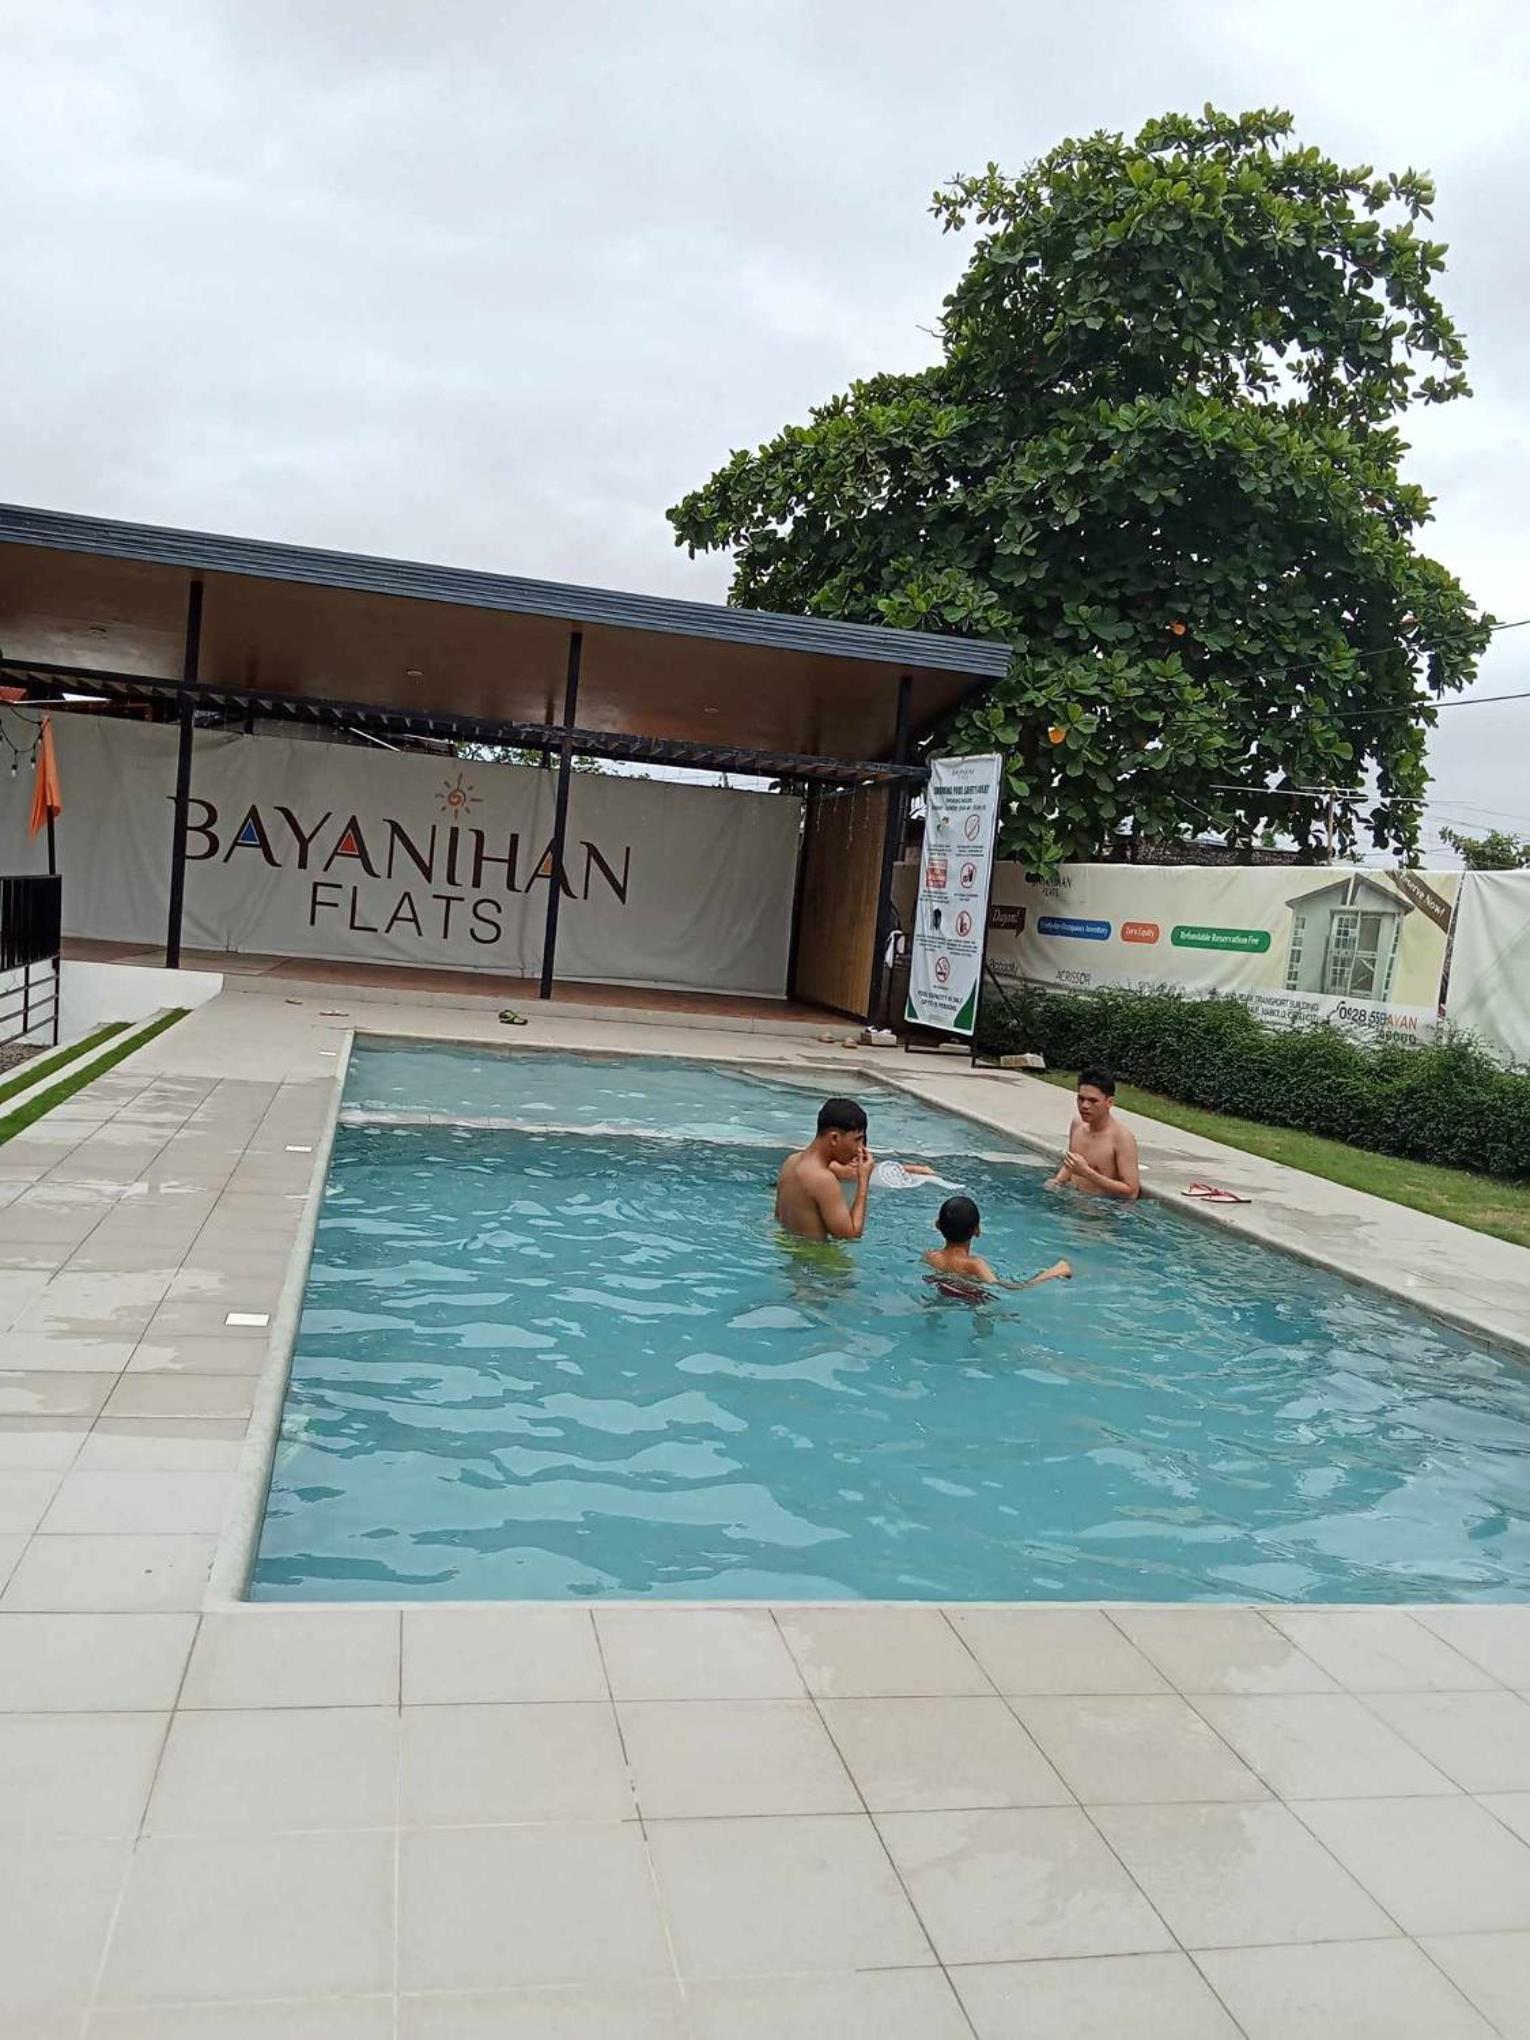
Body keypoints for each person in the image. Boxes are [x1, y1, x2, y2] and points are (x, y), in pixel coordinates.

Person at [923, 1194, 1071, 1297]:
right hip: (975, 1297)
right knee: (1020, 1287)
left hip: (950, 1294)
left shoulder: (930, 1257)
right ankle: (1059, 1270)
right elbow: (998, 1288)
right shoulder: (974, 1264)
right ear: (977, 1231)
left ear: (938, 1225)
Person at [775, 1097, 875, 1241]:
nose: (861, 1148)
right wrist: (863, 1181)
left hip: (788, 1249)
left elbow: (778, 1217)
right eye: (857, 1140)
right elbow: (850, 1235)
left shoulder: (791, 1162)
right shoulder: (823, 1179)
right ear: (834, 1138)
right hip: (818, 1255)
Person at [1045, 1067, 1140, 1200]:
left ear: (1109, 1102)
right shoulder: (1077, 1124)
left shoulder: (1122, 1138)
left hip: (1100, 1209)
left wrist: (1087, 1172)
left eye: (1093, 1101)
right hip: (1071, 1201)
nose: (1084, 1106)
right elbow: (1071, 1164)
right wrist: (1058, 1181)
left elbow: (1131, 1192)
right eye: (1081, 1099)